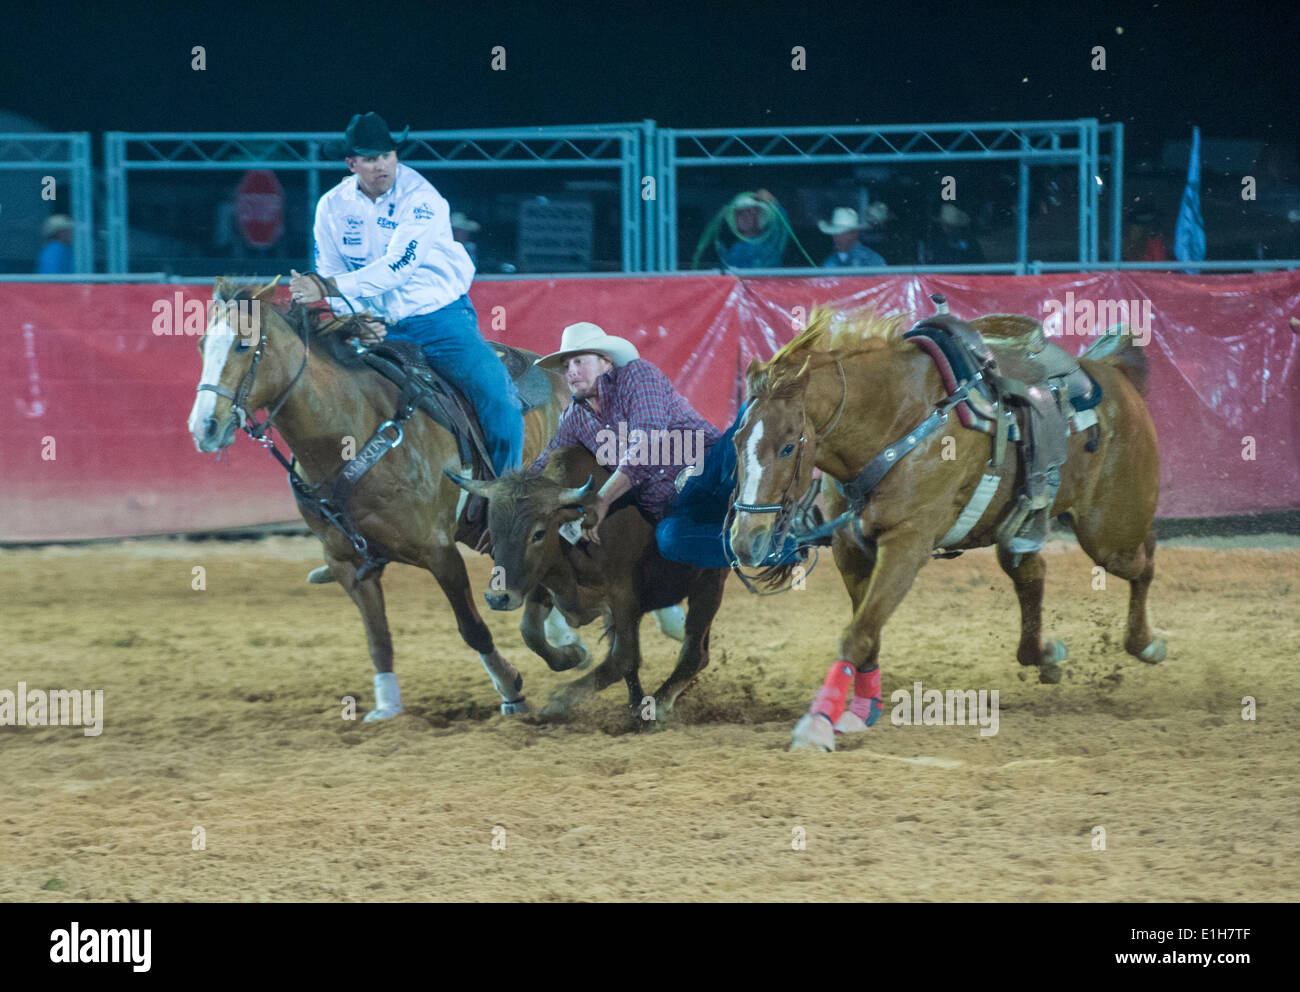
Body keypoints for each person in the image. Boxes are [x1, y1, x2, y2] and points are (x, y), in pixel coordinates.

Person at [292, 112, 523, 586]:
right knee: (329, 402)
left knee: (497, 395)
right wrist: (350, 311)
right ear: (351, 162)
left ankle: (508, 512)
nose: (381, 166)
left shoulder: (422, 200)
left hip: (436, 318)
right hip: (369, 320)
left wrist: (326, 287)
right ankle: (347, 537)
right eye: (371, 158)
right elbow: (330, 267)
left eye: (388, 156)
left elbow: (397, 267)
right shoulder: (331, 208)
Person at [532, 322, 812, 569]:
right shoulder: (573, 418)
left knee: (752, 411)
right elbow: (544, 464)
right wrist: (506, 496)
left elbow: (648, 442)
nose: (570, 372)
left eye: (578, 361)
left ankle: (796, 402)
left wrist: (602, 500)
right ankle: (785, 546)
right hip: (676, 505)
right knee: (670, 540)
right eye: (566, 366)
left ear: (606, 362)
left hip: (711, 467)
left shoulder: (636, 376)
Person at [693, 189, 790, 269]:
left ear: (761, 216)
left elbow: (783, 228)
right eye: (740, 213)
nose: (745, 216)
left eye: (750, 212)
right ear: (733, 220)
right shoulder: (731, 248)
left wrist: (774, 203)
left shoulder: (771, 244)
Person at [819, 207, 886, 267]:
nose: (837, 237)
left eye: (842, 233)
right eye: (834, 233)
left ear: (854, 233)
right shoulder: (828, 262)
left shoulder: (872, 260)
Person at [920, 204, 985, 265]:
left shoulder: (971, 243)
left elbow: (978, 263)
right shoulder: (939, 243)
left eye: (948, 226)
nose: (945, 228)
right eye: (944, 225)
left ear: (957, 227)